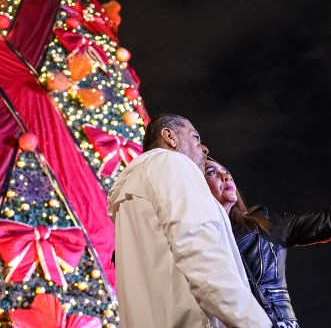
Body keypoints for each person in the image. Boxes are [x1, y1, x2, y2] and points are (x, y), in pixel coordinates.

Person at [203, 119, 331, 327]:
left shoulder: (265, 225)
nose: (225, 176)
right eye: (212, 172)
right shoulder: (195, 235)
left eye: (226, 171)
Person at [108, 113, 271, 328]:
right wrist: (252, 321)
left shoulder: (130, 194)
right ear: (170, 137)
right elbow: (198, 245)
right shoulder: (171, 162)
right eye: (195, 137)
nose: (204, 148)